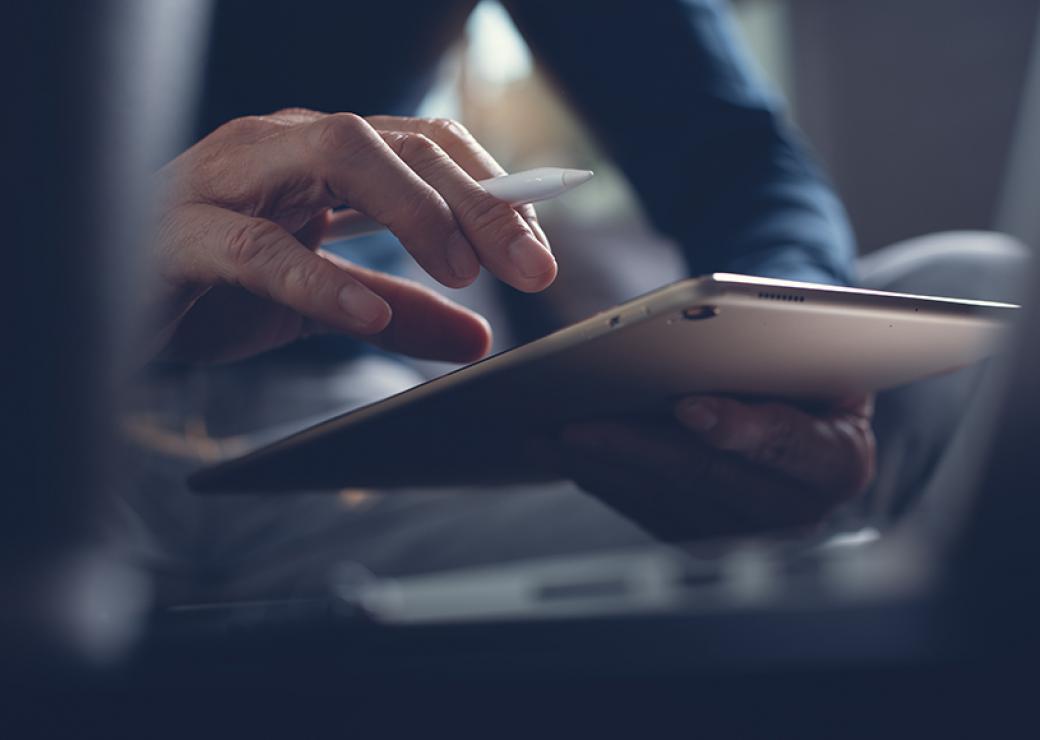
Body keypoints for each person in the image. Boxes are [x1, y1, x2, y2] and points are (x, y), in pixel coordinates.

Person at [126, 0, 1021, 602]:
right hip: (40, 445)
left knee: (982, 302)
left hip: (332, 447)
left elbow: (731, 152)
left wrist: (795, 372)